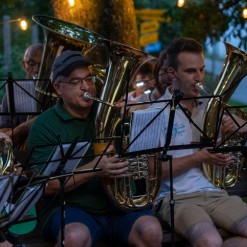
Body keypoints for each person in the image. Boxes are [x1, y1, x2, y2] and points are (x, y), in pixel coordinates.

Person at [27, 50, 163, 247]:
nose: (86, 87)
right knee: (74, 238)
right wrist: (94, 170)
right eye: (76, 82)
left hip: (119, 208)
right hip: (71, 209)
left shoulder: (114, 114)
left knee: (151, 231)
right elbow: (47, 186)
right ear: (58, 88)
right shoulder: (45, 125)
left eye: (89, 79)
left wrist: (140, 117)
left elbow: (149, 165)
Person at [151, 37, 247, 247]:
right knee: (209, 241)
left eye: (201, 69)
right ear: (172, 73)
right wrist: (199, 157)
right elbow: (154, 172)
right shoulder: (156, 112)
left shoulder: (212, 107)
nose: (199, 77)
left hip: (216, 193)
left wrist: (241, 131)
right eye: (191, 71)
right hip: (177, 198)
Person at [0, 43, 43, 150]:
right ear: (24, 65)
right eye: (31, 64)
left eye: (41, 64)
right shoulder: (12, 95)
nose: (37, 70)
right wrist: (27, 128)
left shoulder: (54, 94)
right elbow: (4, 132)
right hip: (20, 158)